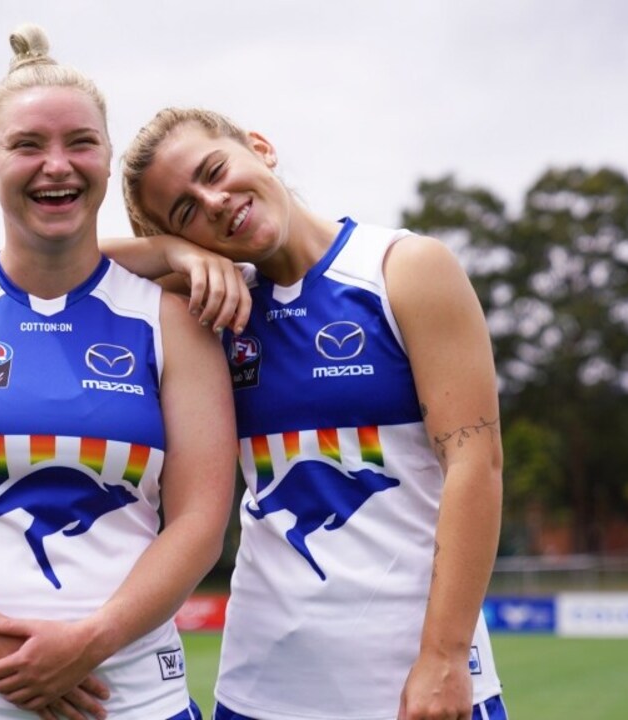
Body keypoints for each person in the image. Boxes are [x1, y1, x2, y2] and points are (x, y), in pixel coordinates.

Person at [0, 26, 236, 720]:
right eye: (27, 145)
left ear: (106, 159)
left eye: (79, 143)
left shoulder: (173, 320)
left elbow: (201, 518)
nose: (57, 165)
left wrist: (93, 641)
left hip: (130, 695)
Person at [112, 108, 507, 720]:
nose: (214, 201)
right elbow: (55, 262)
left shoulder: (402, 269)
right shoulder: (212, 309)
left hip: (413, 685)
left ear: (261, 147)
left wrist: (447, 656)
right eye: (185, 211)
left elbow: (475, 465)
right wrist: (171, 253)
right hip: (261, 689)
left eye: (215, 170)